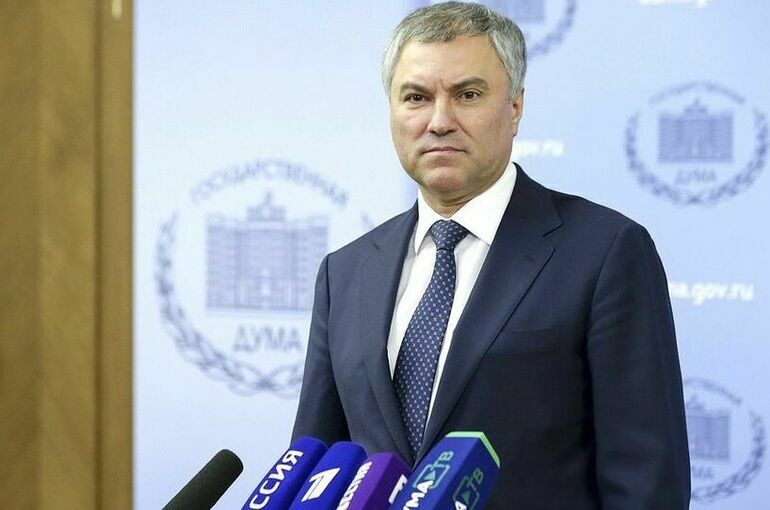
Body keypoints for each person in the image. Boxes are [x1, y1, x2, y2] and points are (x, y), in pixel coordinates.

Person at [292, 2, 690, 508]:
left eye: (468, 95)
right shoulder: (345, 272)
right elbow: (315, 470)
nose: (439, 121)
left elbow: (646, 480)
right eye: (416, 97)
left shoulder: (605, 252)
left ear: (515, 107)